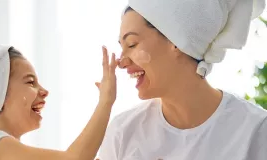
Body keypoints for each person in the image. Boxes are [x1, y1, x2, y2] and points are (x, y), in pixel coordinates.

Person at [98, 0, 267, 159]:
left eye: (132, 44)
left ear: (176, 41)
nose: (121, 62)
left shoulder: (256, 130)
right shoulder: (123, 131)